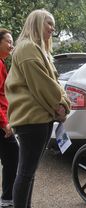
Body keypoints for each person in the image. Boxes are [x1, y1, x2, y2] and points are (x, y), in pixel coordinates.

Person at [5, 9, 71, 208]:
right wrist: (60, 106)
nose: (53, 28)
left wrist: (64, 104)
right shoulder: (27, 48)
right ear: (36, 23)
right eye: (48, 23)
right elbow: (44, 86)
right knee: (25, 173)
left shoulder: (37, 49)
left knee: (29, 172)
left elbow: (56, 84)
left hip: (39, 119)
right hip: (33, 120)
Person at [0, 28, 18, 207]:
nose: (11, 45)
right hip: (1, 122)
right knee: (13, 155)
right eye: (9, 41)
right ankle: (7, 199)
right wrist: (5, 123)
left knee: (11, 157)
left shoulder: (2, 63)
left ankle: (7, 197)